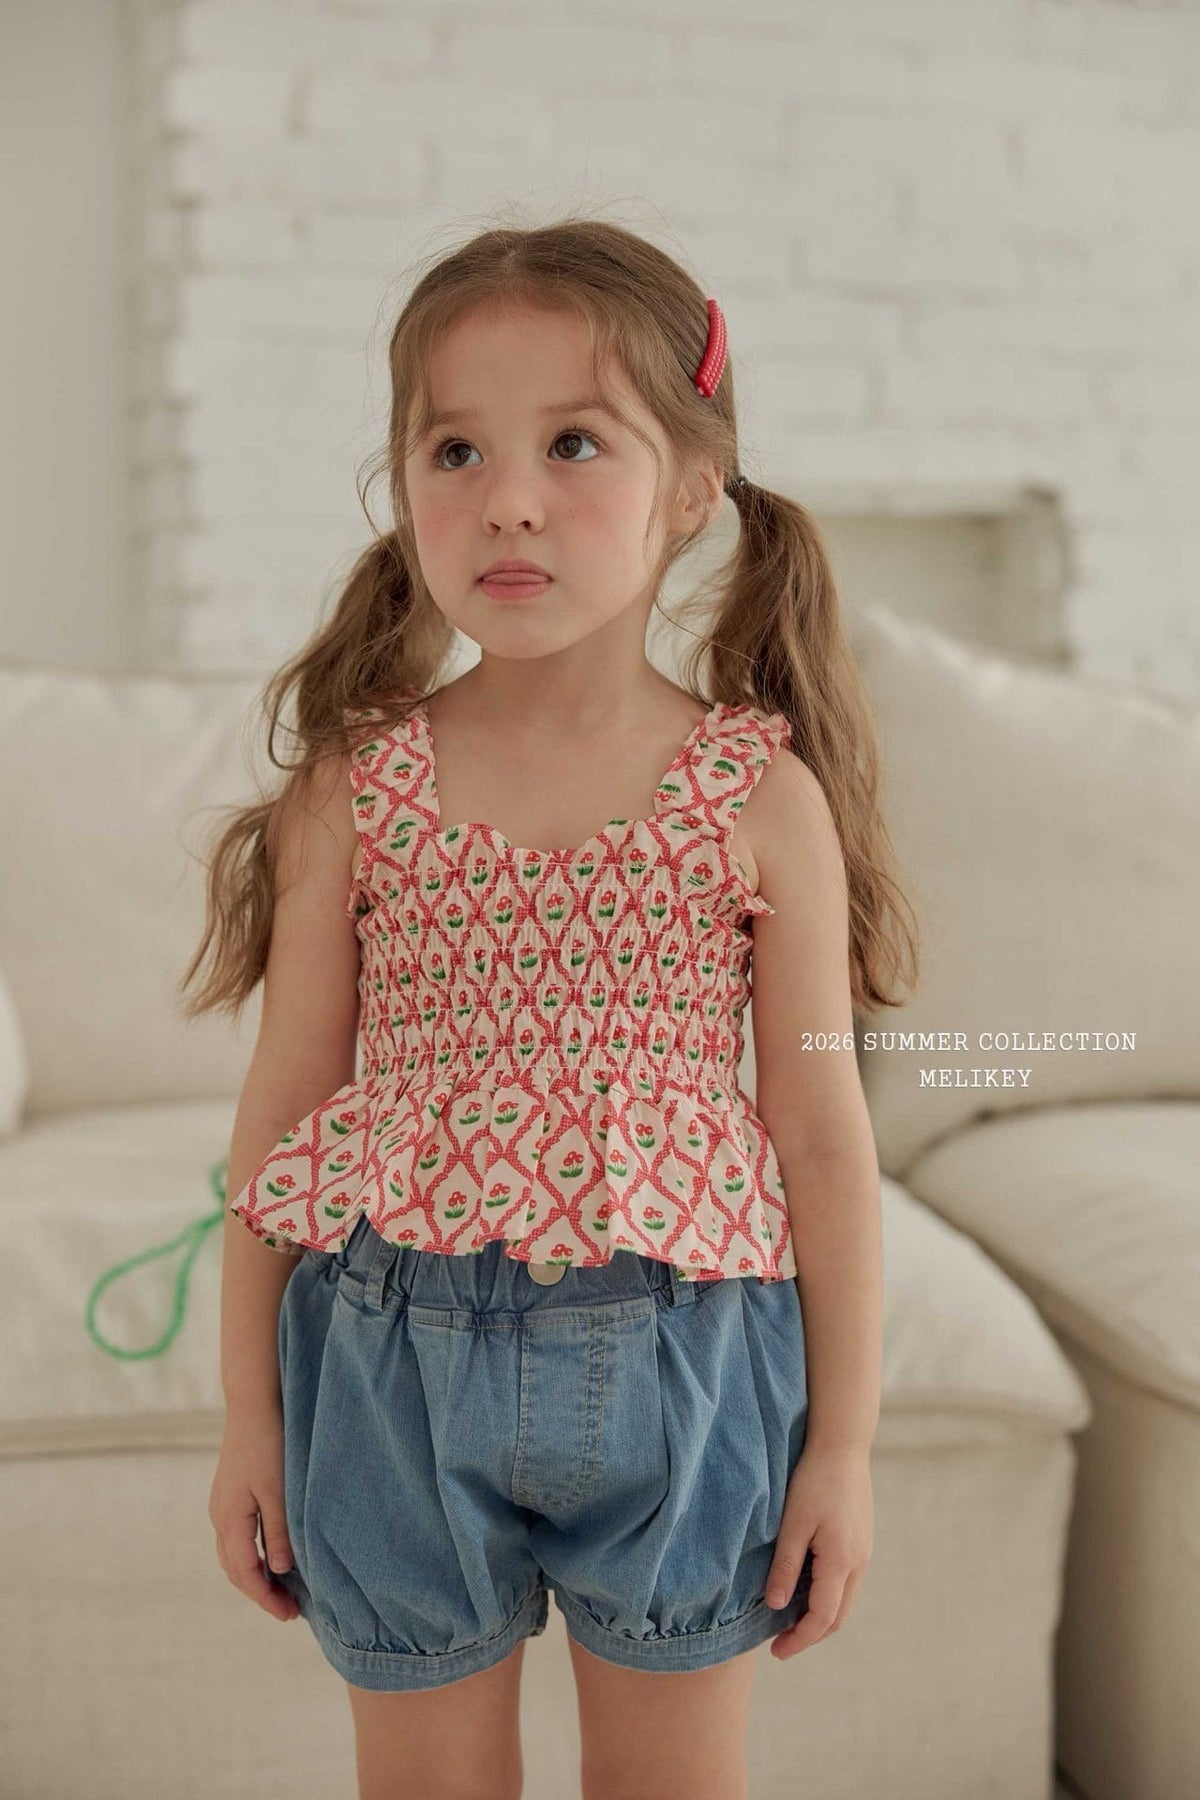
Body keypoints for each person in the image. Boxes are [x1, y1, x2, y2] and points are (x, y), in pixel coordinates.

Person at [183, 215, 917, 1800]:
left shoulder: (759, 793)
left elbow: (820, 1136)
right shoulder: (354, 789)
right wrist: (250, 1416)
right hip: (384, 1373)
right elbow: (284, 1123)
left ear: (692, 491)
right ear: (405, 488)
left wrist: (845, 1447)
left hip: (692, 1366)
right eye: (455, 450)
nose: (507, 498)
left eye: (573, 443)